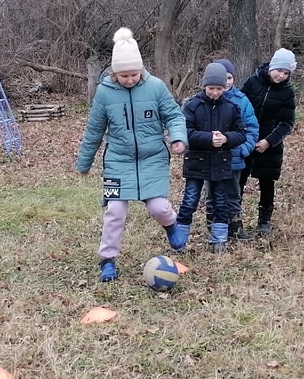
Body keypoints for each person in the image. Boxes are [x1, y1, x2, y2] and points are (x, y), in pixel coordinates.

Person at [76, 27, 188, 281]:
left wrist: (178, 138)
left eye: (134, 74)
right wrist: (84, 162)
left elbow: (173, 115)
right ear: (115, 73)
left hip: (153, 159)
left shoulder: (156, 87)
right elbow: (94, 129)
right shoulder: (104, 93)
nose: (129, 79)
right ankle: (107, 260)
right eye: (124, 75)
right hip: (118, 161)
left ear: (141, 69)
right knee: (115, 211)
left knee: (159, 207)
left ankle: (171, 225)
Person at [172, 63, 248, 253]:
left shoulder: (232, 107)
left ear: (225, 87)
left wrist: (226, 138)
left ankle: (218, 240)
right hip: (196, 163)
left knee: (220, 202)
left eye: (219, 89)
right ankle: (179, 240)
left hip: (221, 164)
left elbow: (241, 133)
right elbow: (185, 132)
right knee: (190, 200)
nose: (215, 92)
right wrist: (208, 139)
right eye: (211, 88)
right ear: (204, 86)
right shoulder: (192, 106)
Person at [238, 48, 298, 237]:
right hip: (245, 141)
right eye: (279, 70)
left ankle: (264, 220)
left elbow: (287, 123)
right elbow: (237, 107)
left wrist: (269, 141)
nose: (281, 75)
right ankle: (234, 217)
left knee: (267, 183)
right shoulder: (252, 82)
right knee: (238, 180)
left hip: (269, 146)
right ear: (271, 67)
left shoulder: (287, 93)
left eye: (286, 73)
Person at [204, 58, 259, 240]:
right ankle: (213, 228)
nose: (225, 83)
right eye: (222, 79)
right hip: (210, 159)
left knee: (233, 194)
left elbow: (251, 128)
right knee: (211, 195)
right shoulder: (202, 102)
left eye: (229, 78)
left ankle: (235, 227)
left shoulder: (241, 101)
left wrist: (243, 149)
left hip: (234, 158)